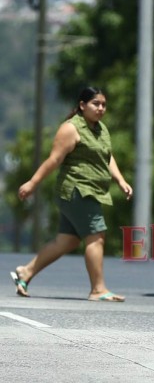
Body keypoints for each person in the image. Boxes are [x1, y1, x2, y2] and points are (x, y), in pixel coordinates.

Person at [10, 87, 133, 302]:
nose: (101, 108)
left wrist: (120, 180)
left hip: (93, 191)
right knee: (96, 236)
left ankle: (26, 272)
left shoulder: (101, 129)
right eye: (96, 103)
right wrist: (32, 183)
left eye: (104, 104)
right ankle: (98, 289)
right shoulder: (70, 129)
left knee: (67, 241)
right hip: (77, 190)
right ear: (82, 105)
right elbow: (54, 160)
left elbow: (107, 155)